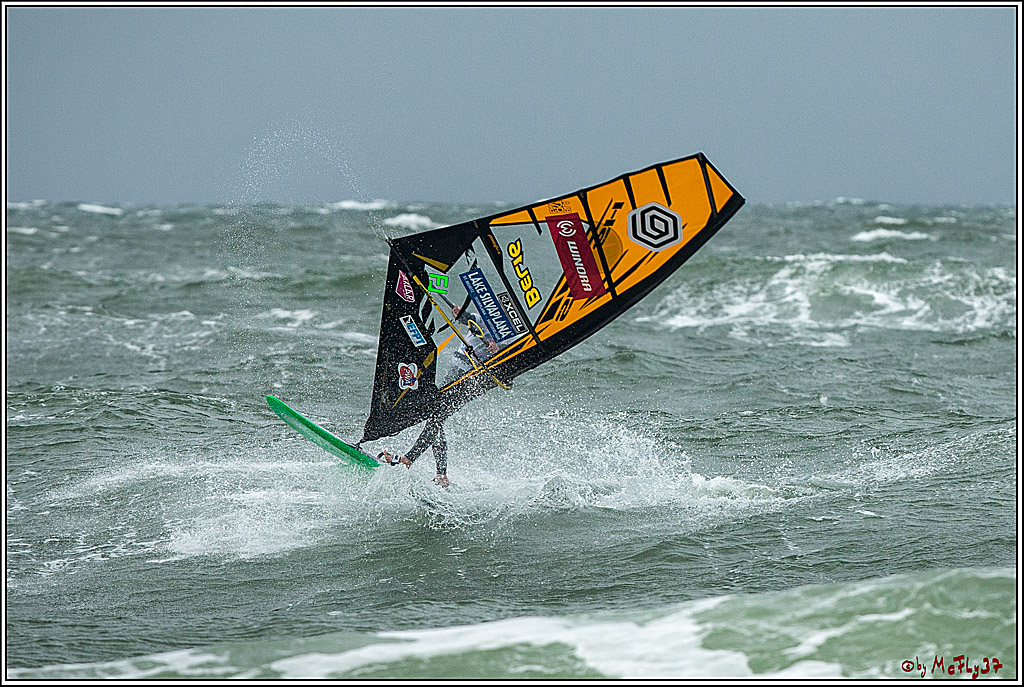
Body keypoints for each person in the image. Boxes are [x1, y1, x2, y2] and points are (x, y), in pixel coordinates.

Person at [378, 305, 503, 487]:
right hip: (457, 372)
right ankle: (440, 474)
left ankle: (411, 460)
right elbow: (467, 318)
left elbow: (513, 356)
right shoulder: (486, 318)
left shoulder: (510, 334)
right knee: (436, 417)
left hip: (470, 378)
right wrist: (460, 313)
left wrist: (498, 348)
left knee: (436, 416)